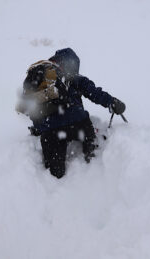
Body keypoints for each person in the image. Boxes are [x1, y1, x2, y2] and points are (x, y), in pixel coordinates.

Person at [17, 48, 126, 178]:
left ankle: (54, 178)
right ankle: (91, 157)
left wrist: (38, 128)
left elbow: (30, 108)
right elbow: (94, 93)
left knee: (55, 174)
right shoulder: (74, 78)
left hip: (51, 130)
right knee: (91, 149)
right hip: (78, 123)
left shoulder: (42, 78)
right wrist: (111, 102)